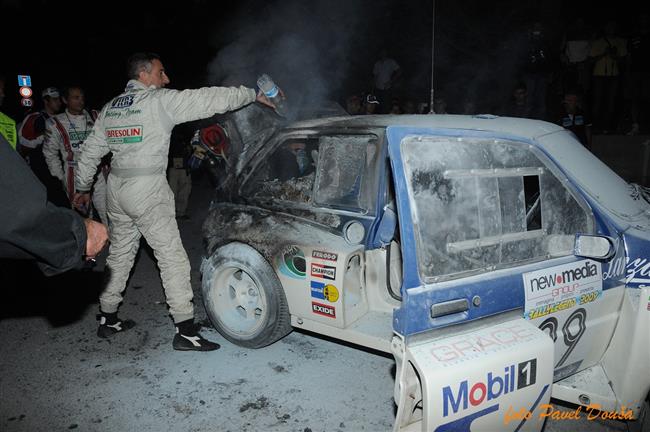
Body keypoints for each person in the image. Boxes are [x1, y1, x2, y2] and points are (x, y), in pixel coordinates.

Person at [73, 52, 275, 352]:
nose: (166, 79)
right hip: (147, 188)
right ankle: (185, 330)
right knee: (172, 258)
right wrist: (251, 94)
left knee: (120, 255)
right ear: (144, 74)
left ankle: (108, 317)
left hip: (117, 188)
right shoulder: (158, 102)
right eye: (161, 72)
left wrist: (81, 186)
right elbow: (208, 99)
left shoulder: (111, 108)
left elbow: (90, 152)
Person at [0, 135, 108, 275]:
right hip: (71, 173)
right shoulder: (55, 122)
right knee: (84, 212)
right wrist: (78, 232)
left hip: (95, 175)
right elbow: (17, 211)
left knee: (103, 211)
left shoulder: (91, 117)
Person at [43, 86, 108, 225]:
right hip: (74, 173)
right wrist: (60, 177)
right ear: (65, 100)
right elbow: (50, 153)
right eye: (76, 98)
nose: (81, 101)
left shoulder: (96, 116)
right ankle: (88, 245)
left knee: (107, 210)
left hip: (98, 171)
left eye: (82, 97)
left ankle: (112, 242)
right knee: (83, 215)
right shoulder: (55, 123)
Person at [17, 87, 68, 206]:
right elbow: (22, 148)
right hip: (40, 175)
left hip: (61, 171)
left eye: (59, 99)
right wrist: (40, 137)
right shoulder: (34, 118)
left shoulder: (63, 119)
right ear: (46, 101)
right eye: (54, 99)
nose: (59, 102)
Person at [589, 20, 628, 133]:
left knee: (611, 102)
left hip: (613, 75)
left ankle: (608, 127)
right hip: (599, 75)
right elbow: (591, 59)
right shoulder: (598, 42)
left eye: (613, 27)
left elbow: (623, 60)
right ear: (605, 29)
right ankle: (596, 126)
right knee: (598, 101)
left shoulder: (619, 42)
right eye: (609, 27)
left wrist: (613, 55)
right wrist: (603, 54)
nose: (611, 29)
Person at [167, 125, 193, 220]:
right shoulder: (170, 131)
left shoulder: (190, 131)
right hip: (174, 166)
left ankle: (181, 213)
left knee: (184, 190)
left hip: (184, 166)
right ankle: (171, 214)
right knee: (172, 191)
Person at [0, 76, 17, 150]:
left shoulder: (10, 122)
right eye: (0, 90)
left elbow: (16, 155)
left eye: (2, 90)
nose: (3, 95)